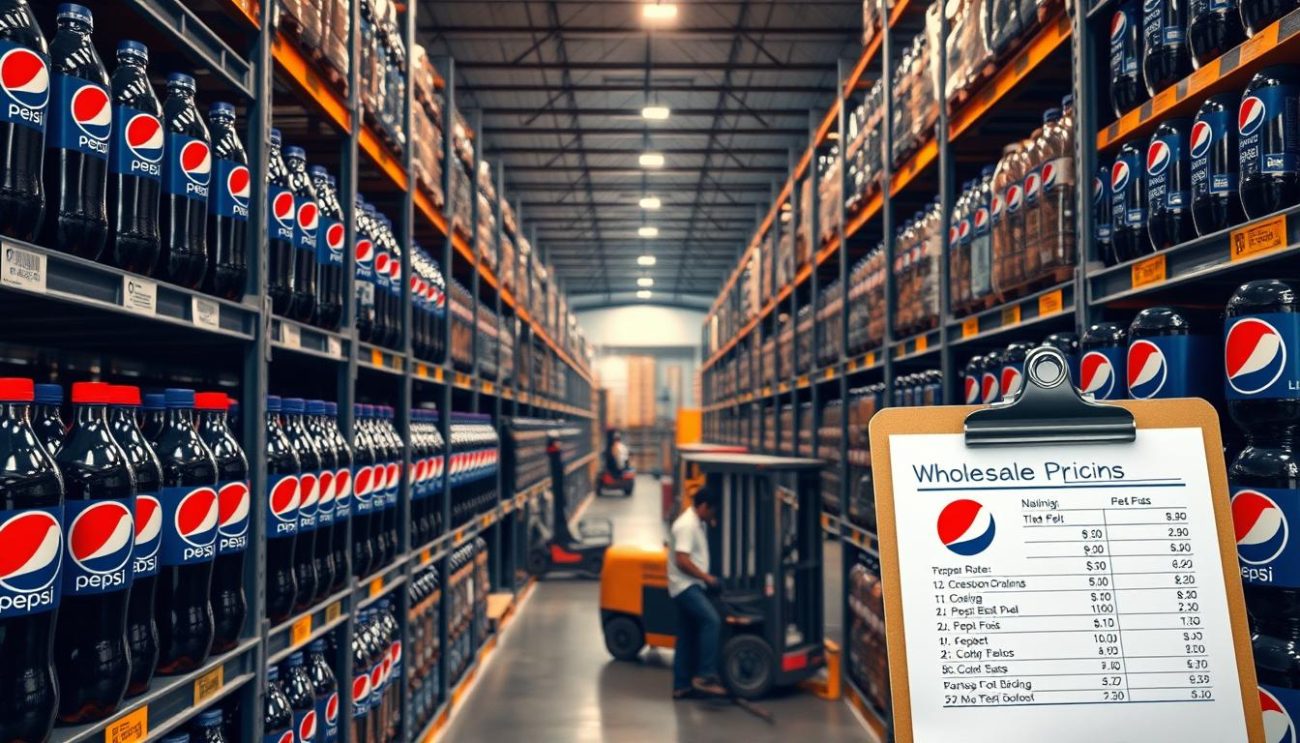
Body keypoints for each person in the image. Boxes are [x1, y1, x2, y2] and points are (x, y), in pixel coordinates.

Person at [668, 487, 727, 699]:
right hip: (686, 586)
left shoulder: (696, 522)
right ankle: (705, 675)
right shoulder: (686, 526)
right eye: (712, 511)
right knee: (712, 621)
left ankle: (681, 685)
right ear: (703, 506)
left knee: (685, 636)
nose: (713, 516)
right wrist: (707, 578)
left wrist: (710, 522)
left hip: (687, 585)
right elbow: (682, 560)